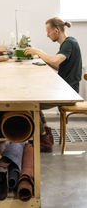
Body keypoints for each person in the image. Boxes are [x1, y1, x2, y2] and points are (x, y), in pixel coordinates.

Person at [23, 17, 82, 152]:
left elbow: (55, 61)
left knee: (30, 105)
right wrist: (40, 58)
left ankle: (43, 140)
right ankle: (46, 134)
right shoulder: (67, 44)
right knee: (34, 99)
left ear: (56, 30)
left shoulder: (69, 43)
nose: (47, 35)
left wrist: (38, 52)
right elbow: (57, 65)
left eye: (48, 32)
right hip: (64, 89)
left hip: (68, 92)